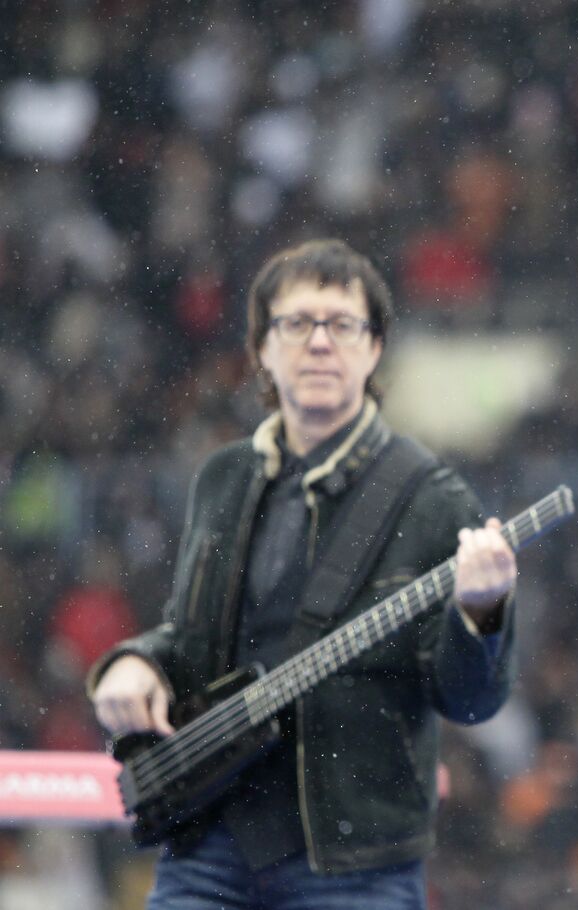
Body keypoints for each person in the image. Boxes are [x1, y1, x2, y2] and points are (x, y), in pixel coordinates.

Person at [88, 238, 518, 909]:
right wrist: (136, 662)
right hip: (208, 836)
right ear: (261, 347)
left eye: (342, 325)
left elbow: (471, 700)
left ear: (374, 349)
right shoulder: (222, 479)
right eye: (297, 324)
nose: (320, 343)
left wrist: (483, 613)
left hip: (354, 862)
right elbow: (192, 640)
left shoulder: (432, 499)